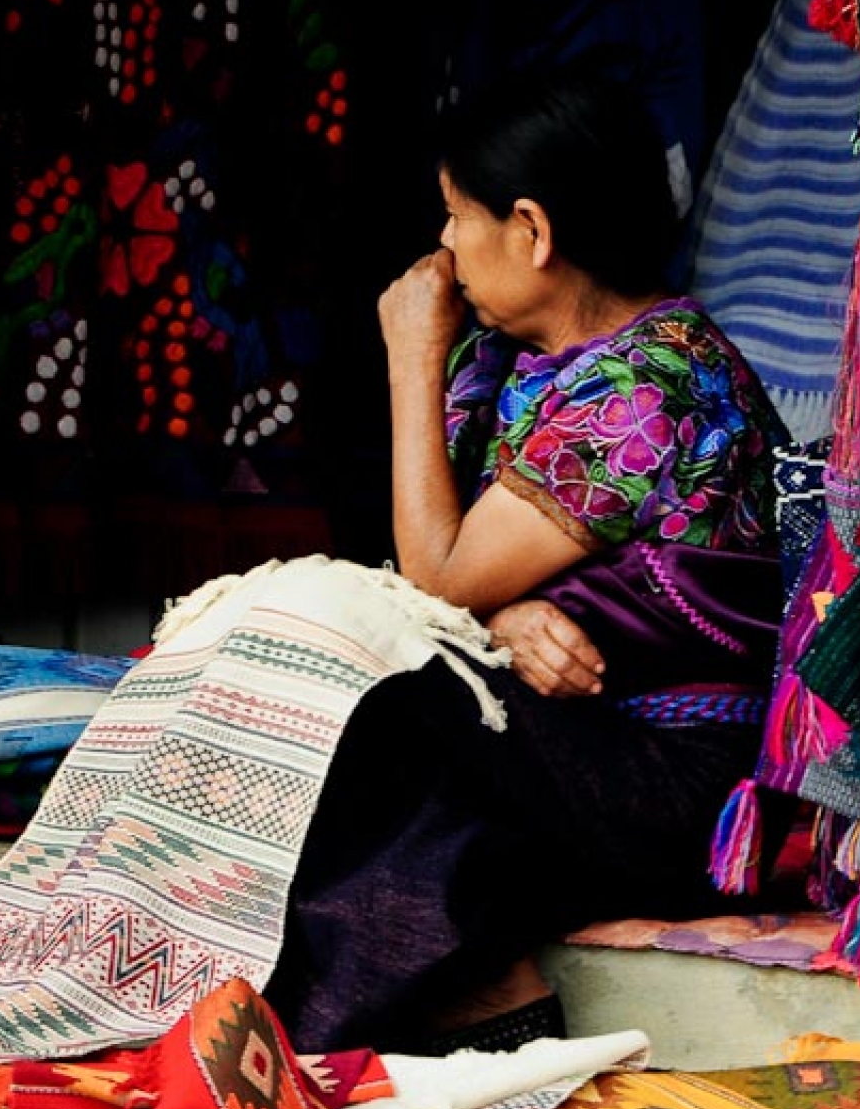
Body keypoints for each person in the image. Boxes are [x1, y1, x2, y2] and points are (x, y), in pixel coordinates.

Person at [262, 69, 792, 1053]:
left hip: (666, 781)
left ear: (534, 232)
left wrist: (408, 361)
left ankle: (393, 1011)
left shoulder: (653, 381)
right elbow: (442, 585)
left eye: (459, 216)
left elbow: (429, 587)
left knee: (382, 688)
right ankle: (485, 994)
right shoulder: (508, 361)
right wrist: (493, 621)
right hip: (548, 750)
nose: (445, 247)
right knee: (371, 717)